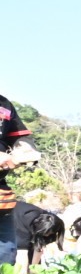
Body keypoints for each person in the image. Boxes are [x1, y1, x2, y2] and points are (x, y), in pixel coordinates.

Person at [0, 94, 38, 265]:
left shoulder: (4, 104)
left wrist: (25, 149)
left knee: (6, 257)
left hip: (2, 199)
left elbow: (18, 136)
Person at [13, 202, 65, 274]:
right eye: (46, 233)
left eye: (50, 234)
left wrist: (33, 271)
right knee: (11, 257)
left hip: (22, 220)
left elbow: (39, 247)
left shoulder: (49, 220)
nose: (47, 235)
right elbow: (22, 252)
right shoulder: (25, 222)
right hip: (7, 216)